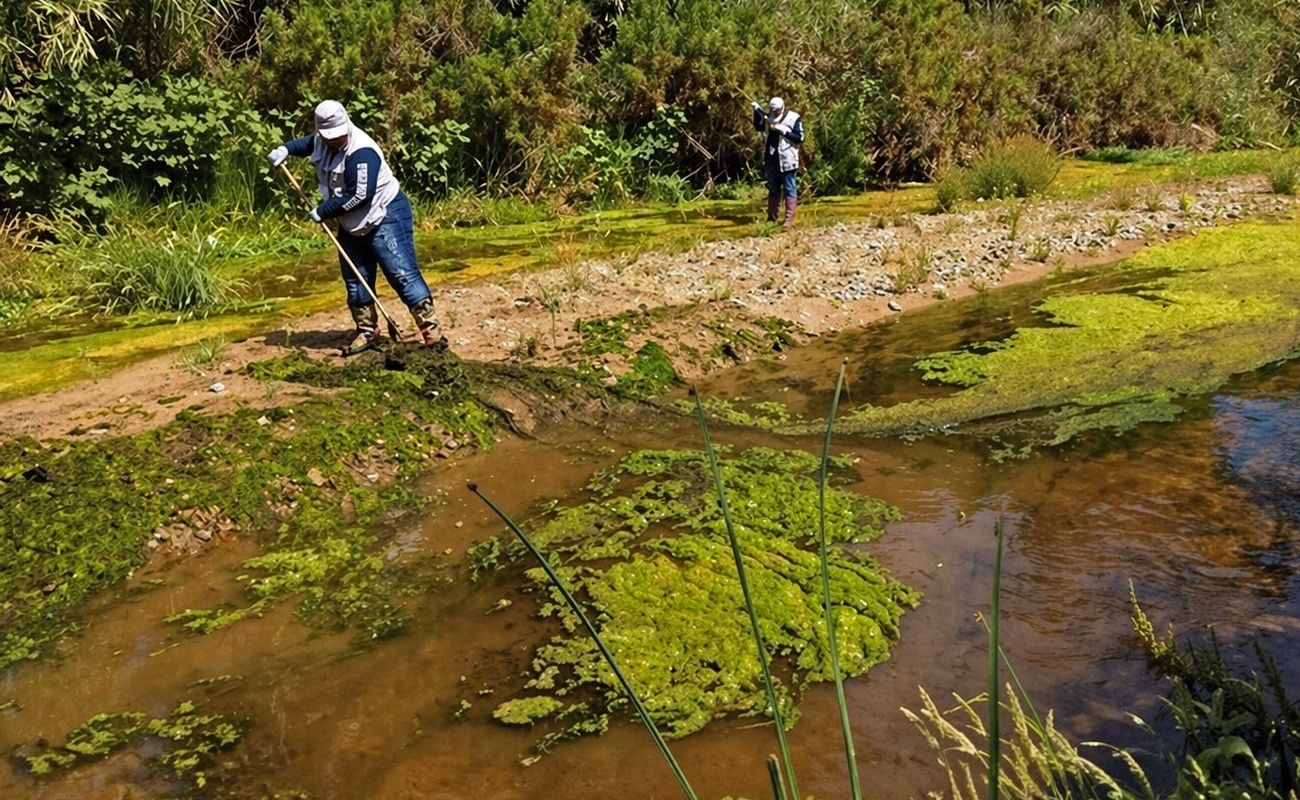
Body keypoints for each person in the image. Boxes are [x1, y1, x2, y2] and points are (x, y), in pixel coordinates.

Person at [268, 100, 442, 356]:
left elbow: (360, 196)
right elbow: (307, 144)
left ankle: (432, 332)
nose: (337, 139)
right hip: (350, 223)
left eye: (339, 134)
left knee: (401, 272)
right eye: (330, 136)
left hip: (384, 215)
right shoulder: (321, 140)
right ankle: (367, 330)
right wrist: (286, 149)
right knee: (355, 278)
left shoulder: (362, 152)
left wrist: (324, 210)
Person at [751, 96, 804, 229]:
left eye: (777, 110)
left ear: (782, 107)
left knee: (789, 188)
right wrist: (756, 111)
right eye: (772, 110)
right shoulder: (769, 118)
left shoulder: (793, 118)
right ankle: (772, 218)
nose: (775, 113)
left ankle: (789, 219)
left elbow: (799, 138)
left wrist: (784, 131)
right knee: (773, 189)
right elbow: (758, 127)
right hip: (771, 159)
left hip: (787, 159)